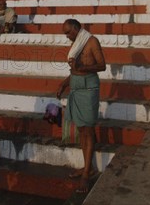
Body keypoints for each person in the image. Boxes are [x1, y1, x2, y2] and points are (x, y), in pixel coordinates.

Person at [56, 19, 106, 194]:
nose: (67, 36)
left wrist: (83, 66)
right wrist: (64, 84)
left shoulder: (92, 41)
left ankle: (86, 173)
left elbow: (102, 65)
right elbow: (74, 70)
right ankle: (88, 167)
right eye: (65, 33)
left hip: (88, 89)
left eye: (69, 32)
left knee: (88, 130)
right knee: (82, 130)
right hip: (76, 88)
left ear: (77, 29)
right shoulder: (76, 44)